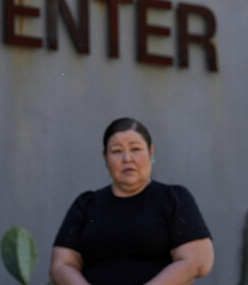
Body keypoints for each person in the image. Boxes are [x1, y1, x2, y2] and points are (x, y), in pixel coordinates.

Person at [50, 117, 214, 285]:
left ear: (151, 152)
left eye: (135, 149)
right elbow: (62, 265)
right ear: (105, 157)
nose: (127, 158)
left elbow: (196, 261)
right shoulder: (87, 205)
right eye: (116, 151)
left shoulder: (172, 199)